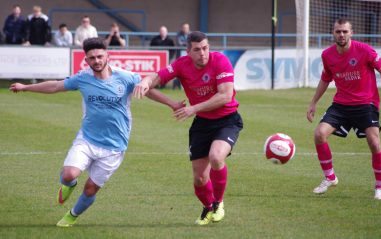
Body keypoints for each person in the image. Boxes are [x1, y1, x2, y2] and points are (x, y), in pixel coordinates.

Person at [9, 37, 182, 227]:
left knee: (90, 189)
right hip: (87, 139)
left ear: (108, 55)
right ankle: (69, 185)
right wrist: (26, 87)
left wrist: (172, 103)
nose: (97, 61)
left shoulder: (125, 77)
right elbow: (56, 86)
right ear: (86, 60)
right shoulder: (82, 78)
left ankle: (73, 215)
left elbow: (147, 89)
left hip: (115, 146)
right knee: (68, 174)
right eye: (92, 58)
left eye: (100, 56)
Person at [134, 31, 243, 225]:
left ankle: (218, 203)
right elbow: (156, 78)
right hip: (202, 124)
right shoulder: (181, 65)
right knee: (200, 178)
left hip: (227, 119)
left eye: (205, 48)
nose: (203, 53)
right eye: (197, 50)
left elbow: (225, 96)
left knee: (216, 157)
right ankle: (208, 206)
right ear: (188, 51)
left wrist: (194, 108)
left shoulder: (220, 61)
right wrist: (145, 82)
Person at [306, 18, 381, 200]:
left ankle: (380, 188)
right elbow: (325, 79)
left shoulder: (364, 50)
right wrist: (313, 102)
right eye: (338, 31)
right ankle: (330, 178)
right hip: (341, 105)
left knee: (374, 142)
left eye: (345, 31)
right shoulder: (327, 55)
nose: (341, 35)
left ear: (351, 33)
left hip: (366, 103)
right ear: (333, 33)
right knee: (319, 134)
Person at [173, 23, 191, 90]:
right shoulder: (178, 35)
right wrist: (187, 44)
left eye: (187, 28)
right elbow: (179, 43)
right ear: (182, 28)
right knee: (179, 70)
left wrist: (186, 44)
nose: (185, 29)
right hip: (180, 55)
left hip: (189, 56)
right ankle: (177, 84)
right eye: (184, 28)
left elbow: (192, 44)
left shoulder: (191, 35)